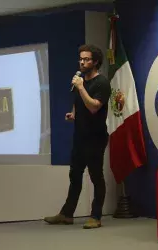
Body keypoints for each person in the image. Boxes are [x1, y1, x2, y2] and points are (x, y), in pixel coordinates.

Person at [44, 44, 111, 229]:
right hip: (80, 137)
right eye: (81, 58)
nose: (82, 62)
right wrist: (73, 113)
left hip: (96, 138)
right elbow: (79, 102)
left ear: (95, 62)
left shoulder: (102, 83)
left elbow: (94, 107)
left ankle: (96, 216)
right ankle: (67, 214)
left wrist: (81, 87)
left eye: (86, 59)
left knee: (96, 176)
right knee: (75, 175)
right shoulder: (80, 80)